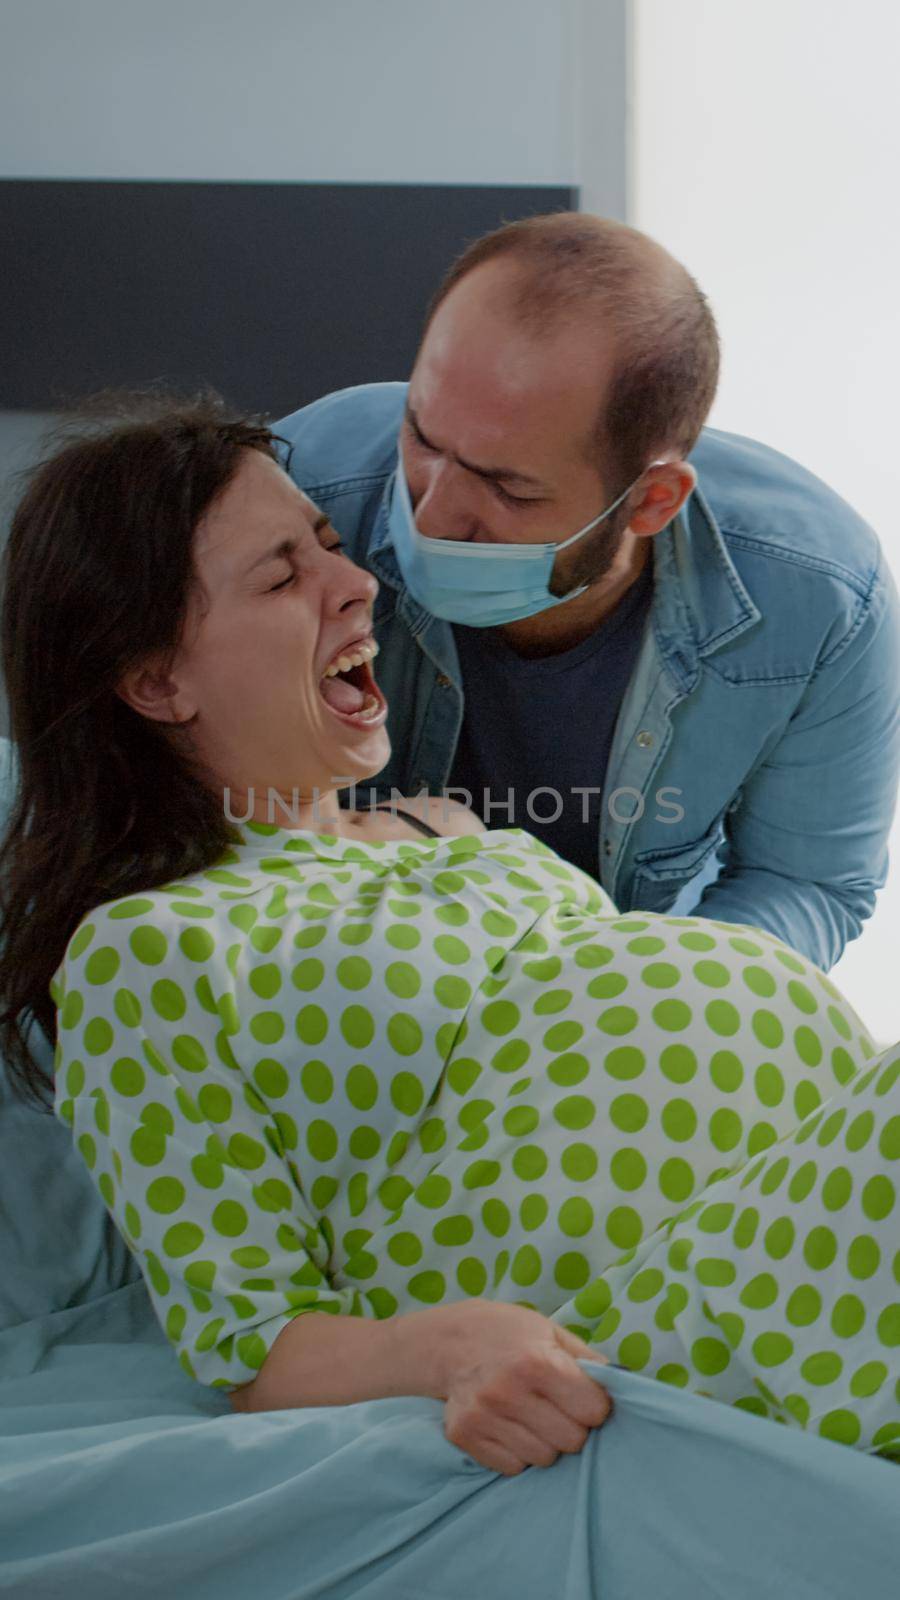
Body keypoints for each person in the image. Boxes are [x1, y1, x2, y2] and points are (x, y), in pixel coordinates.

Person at [0, 395, 897, 1476]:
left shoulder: (446, 824)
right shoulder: (149, 949)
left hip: (792, 1192)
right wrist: (451, 1345)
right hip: (640, 1310)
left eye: (332, 546)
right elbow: (252, 1341)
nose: (361, 583)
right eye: (284, 577)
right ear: (156, 681)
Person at [269, 211, 900, 974]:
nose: (430, 517)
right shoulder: (293, 491)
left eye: (507, 487)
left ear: (652, 502)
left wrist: (639, 1004)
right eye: (424, 439)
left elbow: (805, 882)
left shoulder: (821, 593)